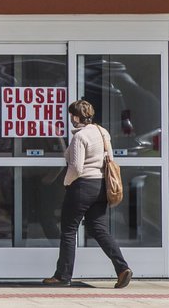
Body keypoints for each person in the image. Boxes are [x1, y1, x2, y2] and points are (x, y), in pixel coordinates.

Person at [42, 99, 132, 289]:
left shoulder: (80, 137)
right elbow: (110, 158)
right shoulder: (102, 132)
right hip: (101, 187)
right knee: (99, 228)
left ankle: (62, 276)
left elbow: (76, 167)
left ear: (76, 116)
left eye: (71, 116)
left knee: (68, 230)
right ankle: (122, 268)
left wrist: (66, 183)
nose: (71, 120)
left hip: (82, 186)